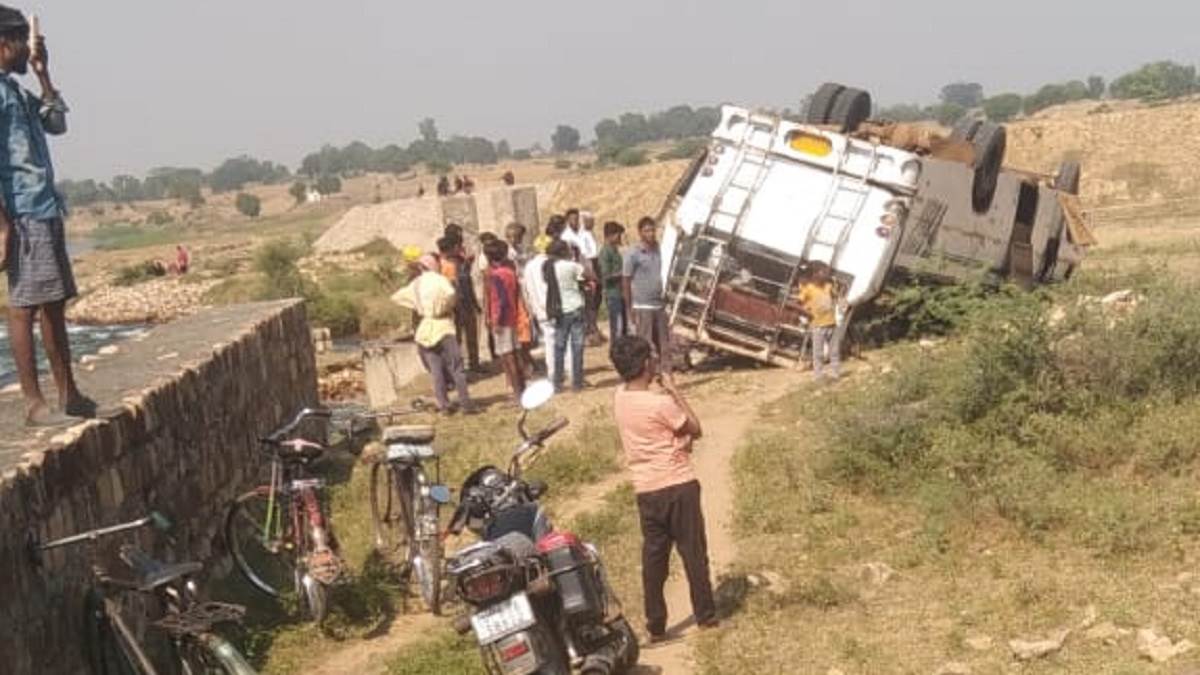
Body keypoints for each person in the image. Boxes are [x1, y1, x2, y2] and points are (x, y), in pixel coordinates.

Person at [0, 10, 99, 426]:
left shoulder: (18, 94)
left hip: (43, 208)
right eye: (25, 41)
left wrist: (43, 75)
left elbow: (56, 123)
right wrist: (2, 225)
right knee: (25, 306)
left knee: (53, 303)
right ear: (6, 44)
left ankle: (68, 393)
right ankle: (35, 403)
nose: (30, 48)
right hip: (22, 212)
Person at [609, 335, 717, 641]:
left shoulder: (619, 398)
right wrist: (674, 390)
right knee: (693, 553)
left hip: (646, 489)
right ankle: (706, 616)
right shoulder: (661, 403)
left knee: (654, 558)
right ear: (646, 364)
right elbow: (696, 427)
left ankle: (656, 623)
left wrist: (677, 440)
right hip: (678, 484)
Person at [391, 254, 474, 414]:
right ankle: (465, 403)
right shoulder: (439, 280)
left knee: (436, 371)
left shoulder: (416, 284)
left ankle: (444, 405)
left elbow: (397, 297)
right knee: (456, 367)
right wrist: (445, 306)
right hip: (443, 325)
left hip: (425, 328)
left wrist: (418, 306)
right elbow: (450, 293)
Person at [623, 217, 672, 375]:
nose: (650, 234)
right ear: (640, 233)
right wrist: (629, 307)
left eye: (652, 230)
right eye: (646, 231)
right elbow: (626, 280)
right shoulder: (633, 253)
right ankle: (646, 376)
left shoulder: (658, 249)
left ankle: (665, 376)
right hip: (642, 306)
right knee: (645, 345)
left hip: (659, 305)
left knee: (664, 345)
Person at [547, 239, 594, 392]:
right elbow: (590, 276)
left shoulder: (550, 268)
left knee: (559, 347)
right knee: (577, 346)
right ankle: (577, 382)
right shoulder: (573, 266)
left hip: (560, 311)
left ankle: (557, 383)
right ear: (564, 251)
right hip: (576, 307)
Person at [484, 239, 526, 401]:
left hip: (502, 320)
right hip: (512, 317)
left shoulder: (495, 275)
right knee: (515, 355)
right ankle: (522, 389)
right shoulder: (510, 272)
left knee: (508, 358)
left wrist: (496, 320)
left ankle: (517, 395)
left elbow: (499, 300)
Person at [438, 233, 482, 373]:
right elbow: (454, 288)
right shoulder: (447, 266)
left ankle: (470, 365)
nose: (460, 248)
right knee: (458, 339)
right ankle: (459, 368)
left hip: (464, 303)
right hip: (457, 306)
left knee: (468, 336)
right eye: (458, 246)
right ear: (452, 248)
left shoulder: (457, 262)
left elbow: (466, 282)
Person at [796, 262, 841, 379]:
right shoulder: (808, 289)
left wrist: (836, 286)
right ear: (815, 274)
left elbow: (836, 296)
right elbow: (798, 304)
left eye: (826, 273)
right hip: (818, 325)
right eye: (823, 272)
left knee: (834, 351)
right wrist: (807, 313)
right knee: (818, 353)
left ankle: (835, 374)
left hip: (832, 323)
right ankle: (818, 376)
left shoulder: (829, 286)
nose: (826, 275)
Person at [599, 221, 627, 341]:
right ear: (611, 235)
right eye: (618, 235)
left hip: (619, 292)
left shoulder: (614, 250)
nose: (619, 238)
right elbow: (605, 275)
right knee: (617, 327)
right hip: (612, 293)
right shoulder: (606, 252)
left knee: (622, 325)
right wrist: (622, 273)